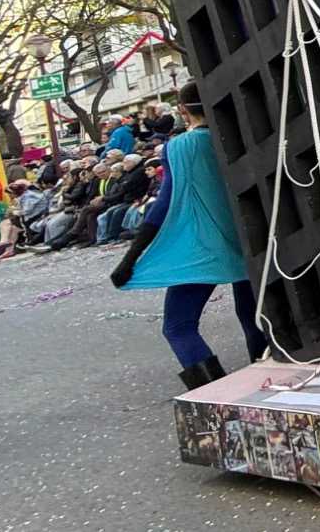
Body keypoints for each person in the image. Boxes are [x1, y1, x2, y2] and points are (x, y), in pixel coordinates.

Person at [112, 82, 268, 388]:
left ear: (183, 111)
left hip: (201, 246)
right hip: (251, 238)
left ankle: (217, 394)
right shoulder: (237, 136)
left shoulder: (179, 148)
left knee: (178, 326)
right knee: (252, 319)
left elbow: (163, 205)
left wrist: (131, 258)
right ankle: (270, 379)